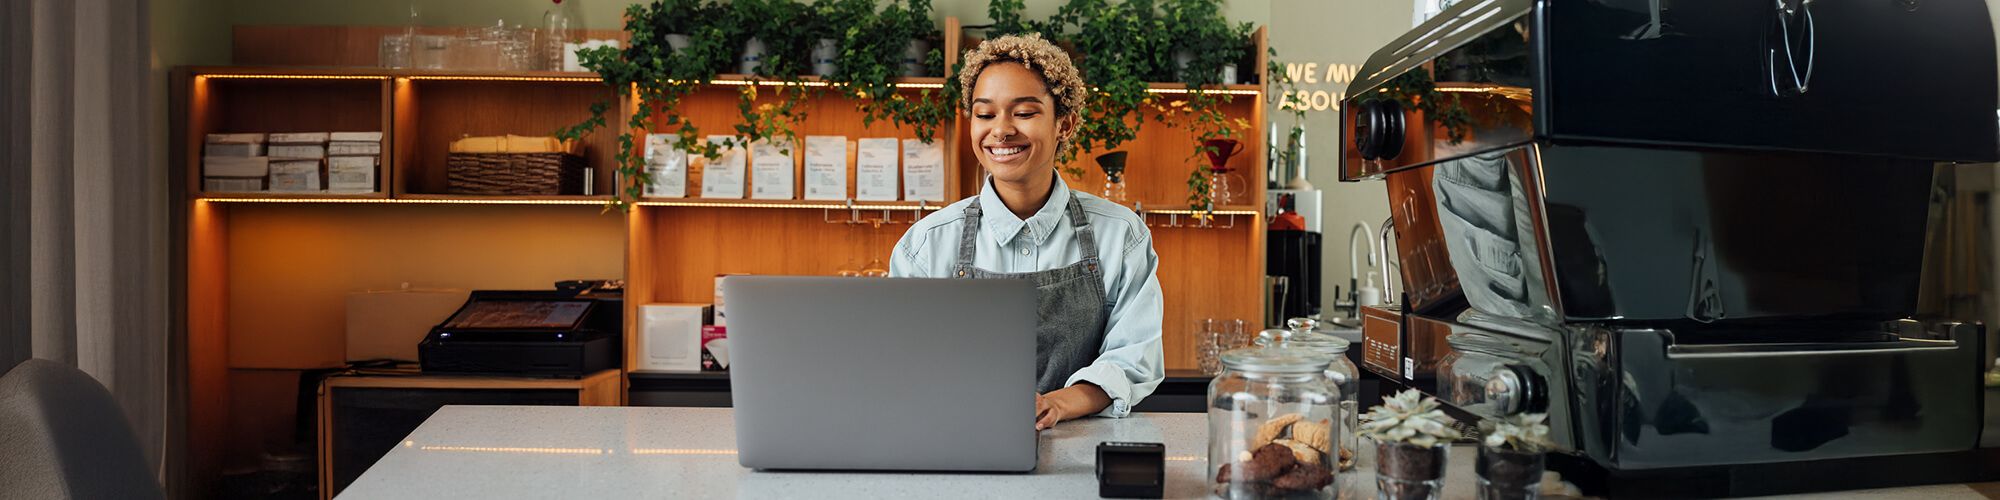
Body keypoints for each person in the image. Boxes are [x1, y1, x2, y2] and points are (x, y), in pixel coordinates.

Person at [889, 34, 1165, 430]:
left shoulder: (1121, 236)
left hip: (1083, 445)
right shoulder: (927, 244)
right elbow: (903, 361)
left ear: (1064, 124)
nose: (1001, 131)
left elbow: (1133, 357)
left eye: (1024, 112)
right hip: (958, 442)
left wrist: (1057, 404)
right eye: (984, 115)